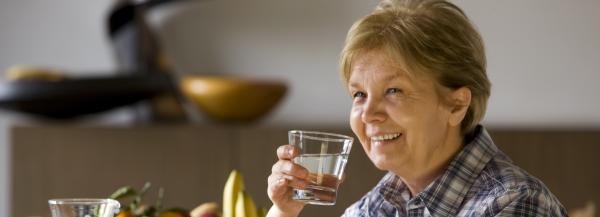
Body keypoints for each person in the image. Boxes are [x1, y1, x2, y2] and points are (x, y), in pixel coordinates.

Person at [267, 0, 568, 216]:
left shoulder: (513, 204)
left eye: (394, 90)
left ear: (456, 104)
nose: (369, 113)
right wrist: (284, 211)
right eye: (359, 94)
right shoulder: (373, 209)